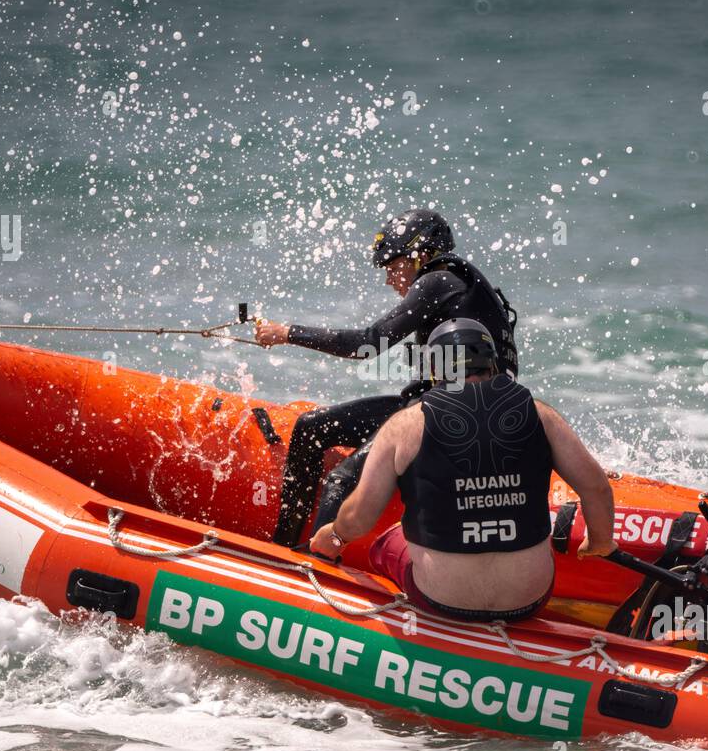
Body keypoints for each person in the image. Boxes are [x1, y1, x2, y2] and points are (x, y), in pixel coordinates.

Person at [308, 319, 615, 622]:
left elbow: (361, 517)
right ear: (493, 364)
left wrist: (333, 536)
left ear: (433, 370)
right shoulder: (541, 415)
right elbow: (597, 488)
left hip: (441, 601)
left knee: (386, 544)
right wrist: (600, 541)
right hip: (529, 600)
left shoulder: (406, 425)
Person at [255, 208, 521, 548]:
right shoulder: (457, 285)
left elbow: (367, 343)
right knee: (311, 427)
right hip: (430, 406)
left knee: (341, 479)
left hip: (454, 417)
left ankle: (314, 567)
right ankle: (282, 547)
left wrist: (287, 332)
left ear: (420, 254)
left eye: (393, 266)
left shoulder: (439, 280)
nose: (388, 279)